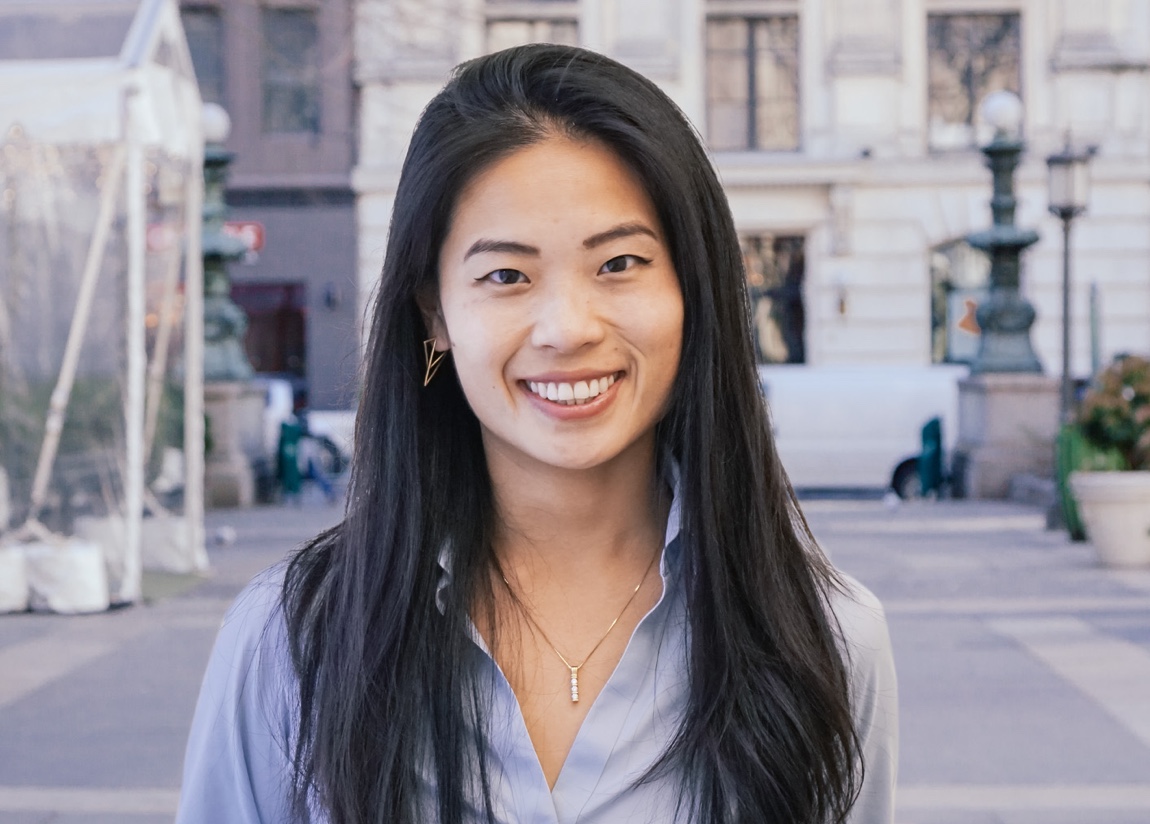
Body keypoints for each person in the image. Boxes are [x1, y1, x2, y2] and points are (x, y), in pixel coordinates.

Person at [177, 44, 897, 824]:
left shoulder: (828, 640)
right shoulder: (295, 641)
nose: (566, 328)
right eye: (507, 276)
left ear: (692, 289)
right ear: (436, 313)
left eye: (620, 263)